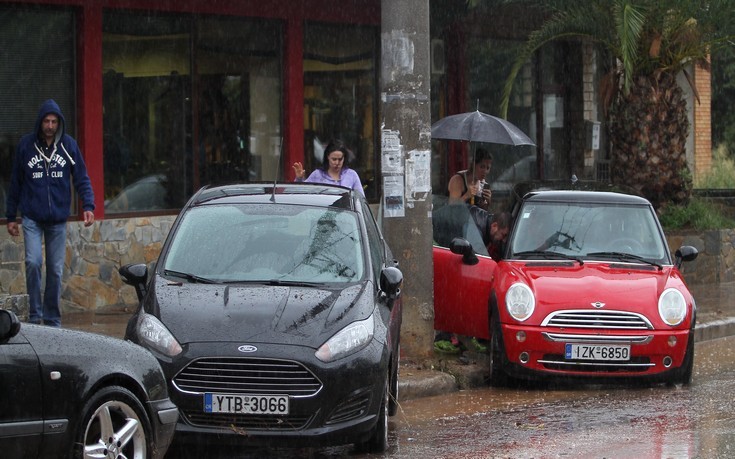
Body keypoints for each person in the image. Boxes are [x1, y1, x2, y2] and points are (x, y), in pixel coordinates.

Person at [6, 99, 95, 327]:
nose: (50, 125)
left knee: (55, 270)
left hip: (57, 219)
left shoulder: (69, 146)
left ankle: (52, 318)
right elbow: (15, 182)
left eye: (54, 121)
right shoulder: (26, 146)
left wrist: (88, 206)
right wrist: (10, 216)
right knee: (33, 262)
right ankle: (35, 317)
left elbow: (82, 177)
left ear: (59, 123)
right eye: (46, 121)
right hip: (32, 218)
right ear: (40, 122)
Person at [292, 139, 364, 196]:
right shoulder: (318, 175)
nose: (337, 163)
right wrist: (299, 178)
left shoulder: (352, 175)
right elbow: (301, 192)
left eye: (340, 159)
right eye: (334, 159)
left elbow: (360, 198)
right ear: (328, 157)